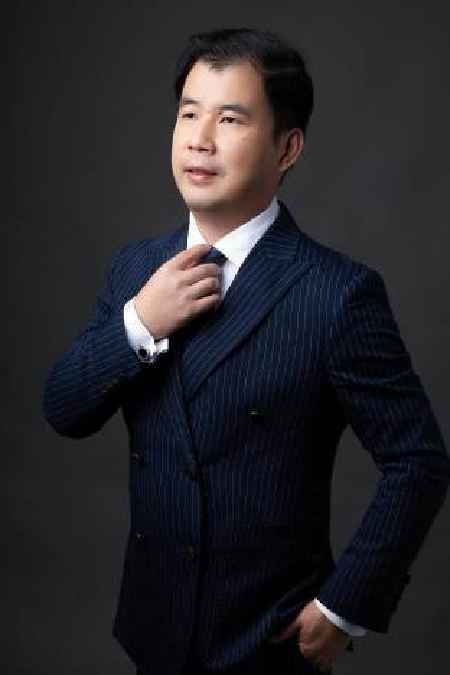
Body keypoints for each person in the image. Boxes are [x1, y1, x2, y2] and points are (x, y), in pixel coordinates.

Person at [43, 28, 449, 675]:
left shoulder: (336, 293)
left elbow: (417, 460)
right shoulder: (134, 269)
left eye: (230, 119)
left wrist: (344, 606)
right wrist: (138, 324)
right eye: (189, 114)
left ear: (288, 147)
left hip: (267, 642)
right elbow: (64, 410)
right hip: (153, 632)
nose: (199, 139)